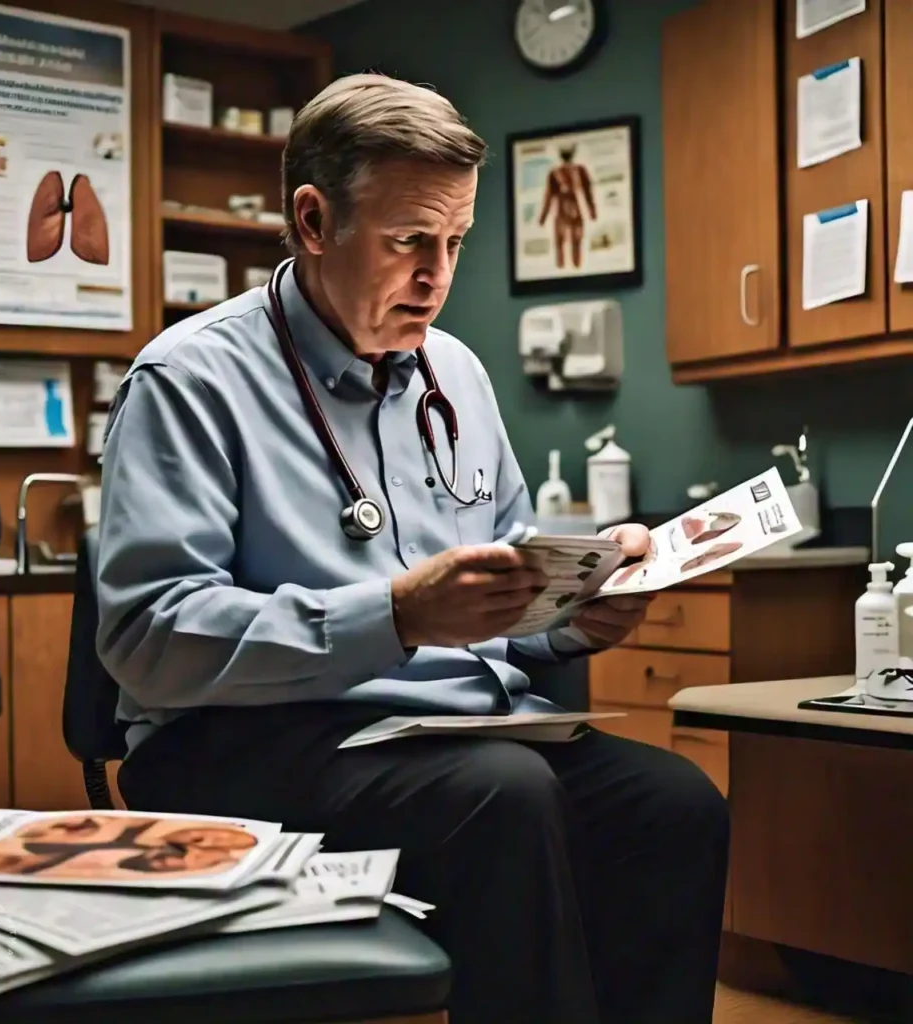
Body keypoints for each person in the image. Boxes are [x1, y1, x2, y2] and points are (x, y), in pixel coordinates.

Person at [95, 73, 728, 1024]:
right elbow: (149, 636)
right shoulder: (190, 379)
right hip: (249, 736)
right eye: (408, 242)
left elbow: (504, 605)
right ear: (313, 221)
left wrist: (575, 613)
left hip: (452, 732)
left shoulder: (456, 373)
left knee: (673, 802)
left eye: (456, 242)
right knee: (501, 798)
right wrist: (391, 616)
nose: (437, 275)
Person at [538, 143, 597, 269]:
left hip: (565, 208)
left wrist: (543, 218)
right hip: (569, 208)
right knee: (567, 241)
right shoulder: (564, 171)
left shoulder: (573, 170)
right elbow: (588, 193)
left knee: (568, 241)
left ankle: (573, 267)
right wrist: (592, 212)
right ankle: (566, 267)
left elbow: (549, 197)